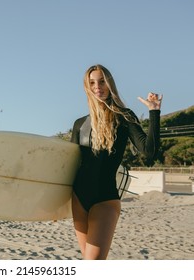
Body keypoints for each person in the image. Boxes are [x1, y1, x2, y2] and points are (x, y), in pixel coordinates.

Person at [70, 64, 162, 260]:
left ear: (110, 83)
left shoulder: (124, 117)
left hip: (105, 199)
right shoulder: (80, 124)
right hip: (78, 199)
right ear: (87, 87)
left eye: (102, 81)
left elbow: (148, 152)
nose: (98, 86)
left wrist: (154, 112)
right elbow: (70, 165)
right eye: (92, 82)